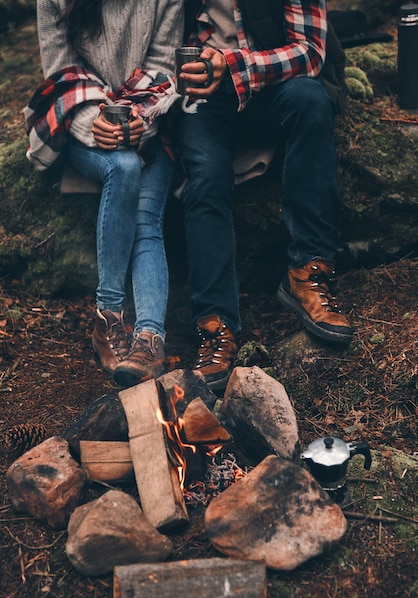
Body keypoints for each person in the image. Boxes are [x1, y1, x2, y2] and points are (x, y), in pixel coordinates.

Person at [173, 0, 354, 392]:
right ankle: (214, 325)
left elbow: (310, 51)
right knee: (204, 172)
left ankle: (309, 272)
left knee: (310, 100)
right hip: (204, 96)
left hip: (273, 81)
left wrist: (233, 65)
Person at [25, 0, 184, 388]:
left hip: (149, 120)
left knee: (147, 221)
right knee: (124, 167)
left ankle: (149, 339)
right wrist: (94, 120)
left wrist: (135, 123)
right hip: (82, 119)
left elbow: (164, 65)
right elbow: (59, 68)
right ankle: (108, 319)